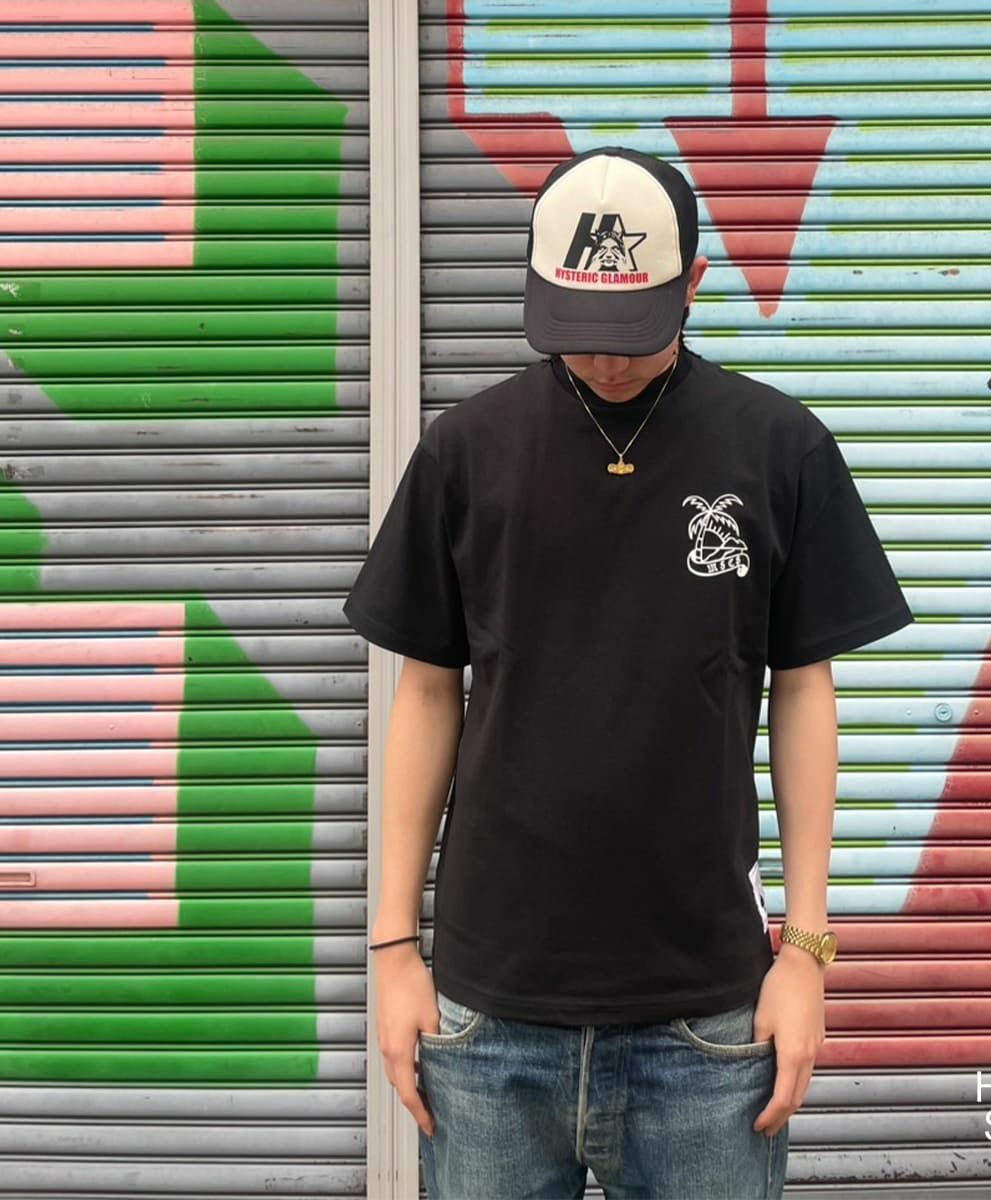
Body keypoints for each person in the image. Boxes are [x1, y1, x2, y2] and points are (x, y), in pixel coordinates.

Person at [343, 146, 914, 1199]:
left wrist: (807, 951)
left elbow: (804, 692)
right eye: (578, 326)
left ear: (693, 283)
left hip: (707, 1023)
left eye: (630, 327)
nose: (604, 358)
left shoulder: (778, 449)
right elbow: (425, 693)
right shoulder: (467, 452)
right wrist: (391, 949)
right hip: (487, 1017)